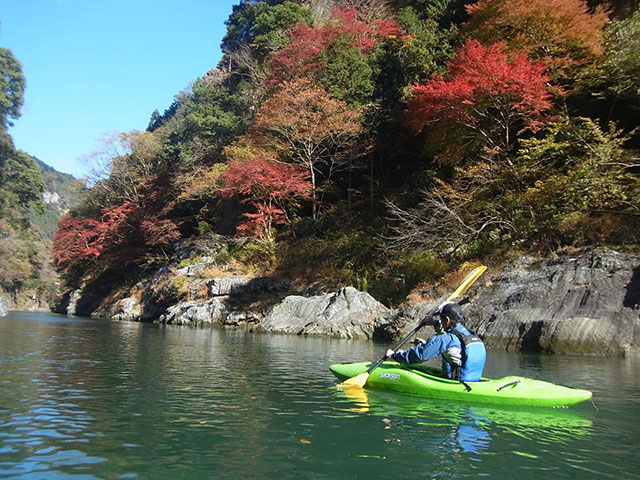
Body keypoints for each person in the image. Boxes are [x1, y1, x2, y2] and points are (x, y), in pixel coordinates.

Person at [385, 302, 486, 383]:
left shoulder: (446, 339)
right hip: (473, 381)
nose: (440, 322)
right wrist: (434, 323)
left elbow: (420, 355)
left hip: (455, 383)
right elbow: (449, 336)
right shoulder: (471, 336)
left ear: (447, 320)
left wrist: (395, 355)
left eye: (441, 319)